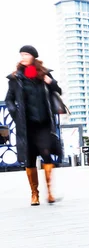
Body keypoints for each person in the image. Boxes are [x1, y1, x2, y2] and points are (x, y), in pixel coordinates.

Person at [5, 46, 62, 206]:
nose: (23, 57)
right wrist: (14, 113)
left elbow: (58, 90)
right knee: (29, 160)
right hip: (26, 125)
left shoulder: (44, 74)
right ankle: (34, 194)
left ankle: (50, 193)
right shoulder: (15, 78)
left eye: (26, 54)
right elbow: (9, 99)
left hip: (43, 123)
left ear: (33, 57)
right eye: (21, 54)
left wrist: (50, 82)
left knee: (47, 156)